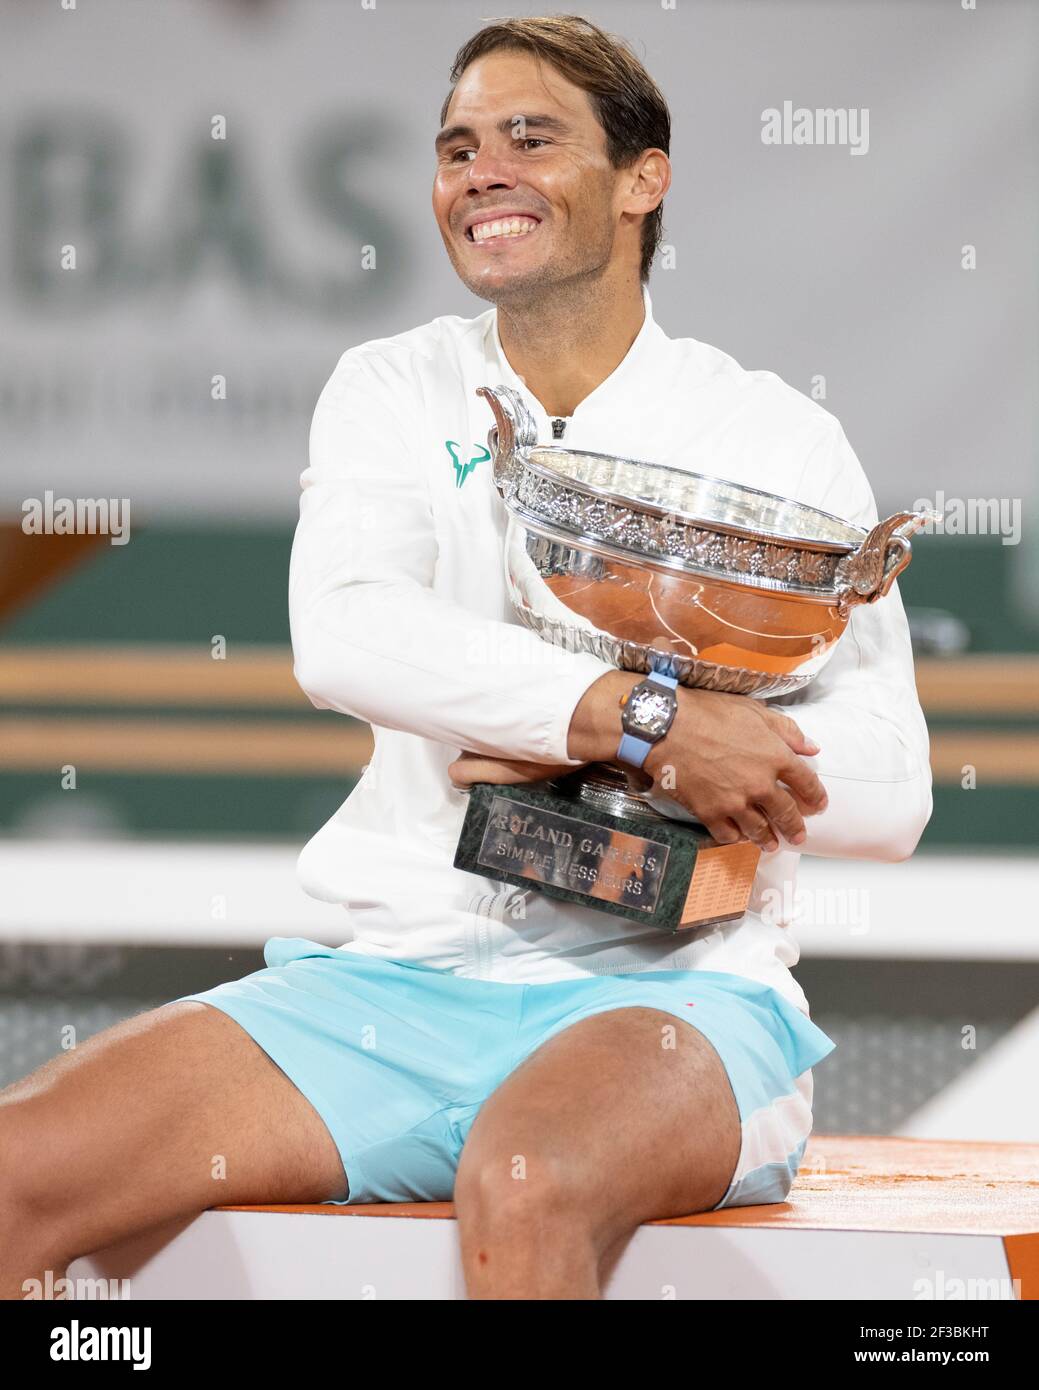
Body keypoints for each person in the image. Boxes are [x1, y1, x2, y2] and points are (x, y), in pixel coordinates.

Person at [0, 16, 931, 1300]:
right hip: (388, 989)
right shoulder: (390, 386)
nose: (479, 172)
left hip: (673, 1002)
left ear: (643, 178)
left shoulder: (773, 436)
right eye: (455, 149)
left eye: (530, 139)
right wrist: (647, 724)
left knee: (528, 1183)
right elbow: (346, 634)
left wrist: (644, 754)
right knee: (15, 1170)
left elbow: (890, 793)